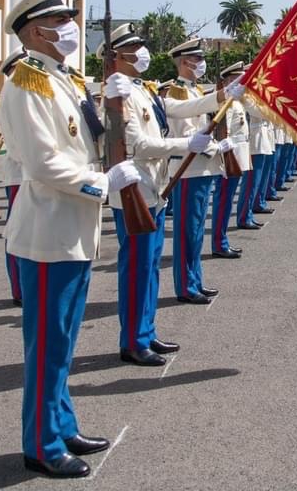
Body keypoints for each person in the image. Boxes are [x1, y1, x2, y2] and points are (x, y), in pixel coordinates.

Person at [0, 0, 142, 478]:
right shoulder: (27, 80)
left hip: (74, 231)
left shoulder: (65, 78)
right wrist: (103, 184)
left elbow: (90, 136)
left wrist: (113, 103)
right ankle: (40, 443)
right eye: (62, 22)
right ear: (37, 31)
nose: (71, 29)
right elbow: (43, 163)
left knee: (64, 341)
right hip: (48, 230)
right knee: (47, 344)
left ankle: (61, 423)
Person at [99, 25, 235, 366]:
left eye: (142, 45)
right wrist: (184, 144)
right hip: (135, 189)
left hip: (155, 188)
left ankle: (146, 331)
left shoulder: (142, 89)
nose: (142, 51)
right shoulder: (117, 92)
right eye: (134, 47)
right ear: (119, 56)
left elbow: (178, 110)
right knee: (137, 267)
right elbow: (138, 145)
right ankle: (132, 340)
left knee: (150, 267)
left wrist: (225, 94)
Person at [165, 38, 233, 304]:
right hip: (188, 169)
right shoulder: (176, 93)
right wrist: (215, 148)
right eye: (197, 59)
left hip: (201, 169)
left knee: (195, 231)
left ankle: (196, 279)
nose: (201, 63)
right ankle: (185, 286)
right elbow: (186, 135)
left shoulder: (193, 91)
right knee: (187, 231)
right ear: (185, 62)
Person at [0, 47, 27, 306]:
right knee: (17, 232)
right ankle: (19, 289)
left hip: (26, 173)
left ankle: (22, 286)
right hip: (19, 173)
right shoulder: (13, 93)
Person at [211, 62, 250, 259]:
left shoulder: (238, 102)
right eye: (239, 79)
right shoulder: (228, 103)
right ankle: (219, 242)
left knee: (226, 203)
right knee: (223, 201)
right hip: (229, 158)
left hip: (237, 156)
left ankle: (222, 239)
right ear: (228, 81)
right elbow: (222, 132)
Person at [238, 98, 276, 229]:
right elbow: (262, 112)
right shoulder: (247, 96)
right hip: (255, 141)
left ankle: (253, 208)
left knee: (259, 179)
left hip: (263, 139)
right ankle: (244, 217)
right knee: (251, 182)